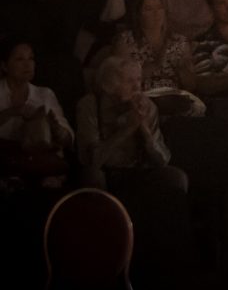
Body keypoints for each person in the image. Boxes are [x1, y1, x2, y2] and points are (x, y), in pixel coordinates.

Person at [76, 53, 187, 194]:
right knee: (93, 176)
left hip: (138, 170)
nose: (137, 87)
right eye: (129, 81)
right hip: (107, 172)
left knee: (176, 177)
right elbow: (91, 161)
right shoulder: (90, 105)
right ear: (109, 85)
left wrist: (144, 129)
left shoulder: (148, 106)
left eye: (138, 80)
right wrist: (126, 129)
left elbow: (163, 160)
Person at [111, 0, 201, 115]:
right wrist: (156, 65)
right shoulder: (126, 41)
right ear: (138, 14)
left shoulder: (179, 41)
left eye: (159, 8)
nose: (156, 13)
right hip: (141, 99)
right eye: (149, 9)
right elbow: (121, 81)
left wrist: (184, 71)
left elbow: (191, 85)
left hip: (175, 98)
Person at [0, 36, 73, 189]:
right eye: (19, 59)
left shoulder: (44, 95)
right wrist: (14, 112)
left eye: (31, 58)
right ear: (4, 66)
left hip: (38, 164)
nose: (28, 64)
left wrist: (57, 130)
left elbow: (68, 138)